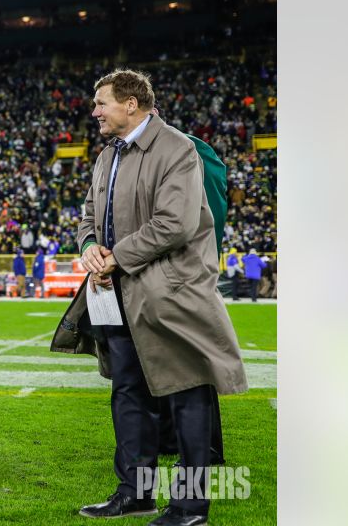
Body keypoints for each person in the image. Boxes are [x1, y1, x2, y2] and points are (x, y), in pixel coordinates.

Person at [51, 69, 247, 526]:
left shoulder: (178, 149)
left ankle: (190, 507)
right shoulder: (106, 157)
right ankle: (135, 493)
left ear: (131, 104)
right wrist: (88, 249)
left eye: (101, 103)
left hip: (169, 293)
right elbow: (87, 216)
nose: (94, 111)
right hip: (114, 291)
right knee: (128, 393)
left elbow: (174, 223)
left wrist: (115, 256)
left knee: (186, 393)